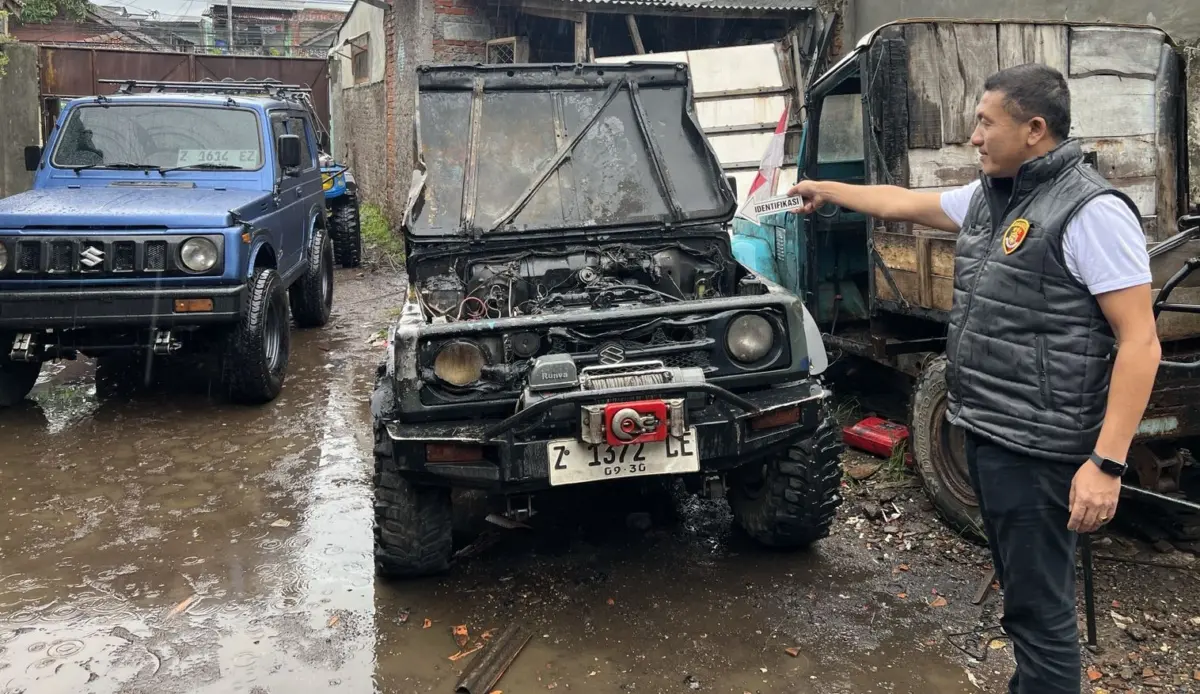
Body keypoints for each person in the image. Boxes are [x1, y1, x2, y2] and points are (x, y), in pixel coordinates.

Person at [788, 63, 1162, 693]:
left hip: (1040, 447)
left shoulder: (1090, 211)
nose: (974, 137)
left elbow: (1140, 343)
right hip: (989, 430)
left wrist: (1107, 464)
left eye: (986, 123)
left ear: (1034, 129)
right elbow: (908, 203)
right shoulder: (995, 198)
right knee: (1024, 600)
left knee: (1040, 616)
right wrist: (828, 188)